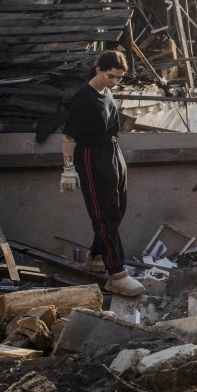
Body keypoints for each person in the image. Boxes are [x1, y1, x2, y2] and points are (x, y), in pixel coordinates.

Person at [60, 50, 145, 296]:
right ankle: (116, 274)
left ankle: (97, 256)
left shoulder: (106, 92)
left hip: (112, 154)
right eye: (111, 76)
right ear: (98, 69)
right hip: (91, 157)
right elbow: (68, 136)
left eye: (119, 78)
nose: (114, 82)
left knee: (118, 209)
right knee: (104, 215)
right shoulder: (83, 98)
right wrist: (68, 170)